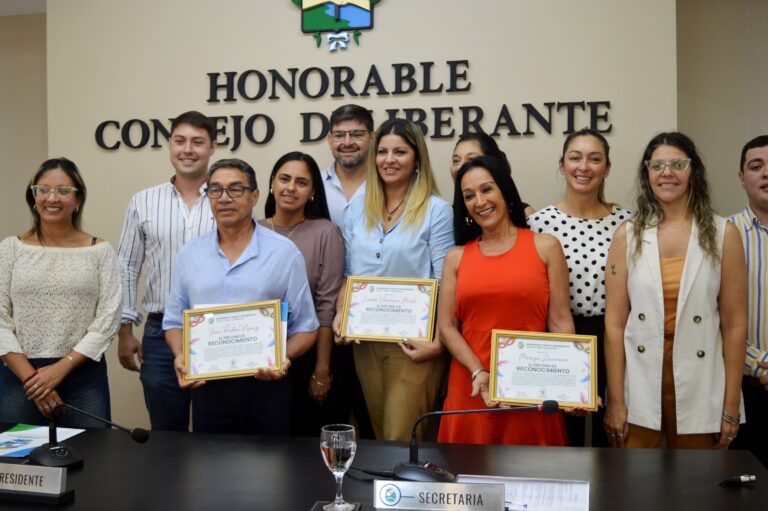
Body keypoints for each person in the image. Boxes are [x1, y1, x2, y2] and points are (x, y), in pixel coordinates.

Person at [604, 132, 746, 449]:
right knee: (637, 487)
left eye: (677, 164)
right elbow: (614, 325)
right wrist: (615, 399)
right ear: (647, 174)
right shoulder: (627, 236)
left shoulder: (725, 234)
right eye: (658, 166)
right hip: (639, 384)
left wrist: (732, 405)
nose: (667, 173)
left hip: (702, 383)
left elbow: (735, 326)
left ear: (692, 170)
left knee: (700, 489)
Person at [163, 158, 318, 434]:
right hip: (207, 388)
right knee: (210, 469)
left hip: (266, 388)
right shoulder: (190, 254)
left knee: (268, 473)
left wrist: (284, 357)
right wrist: (179, 355)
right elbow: (174, 320)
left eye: (236, 189)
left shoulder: (284, 253)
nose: (224, 198)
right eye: (215, 190)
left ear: (255, 195)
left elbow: (306, 327)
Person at [437, 155, 573, 445]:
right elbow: (446, 327)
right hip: (471, 385)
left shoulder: (546, 246)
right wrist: (479, 371)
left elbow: (560, 320)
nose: (480, 201)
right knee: (468, 482)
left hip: (531, 384)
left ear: (505, 191)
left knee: (532, 480)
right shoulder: (455, 258)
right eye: (469, 196)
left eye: (487, 189)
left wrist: (573, 383)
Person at [333, 118, 453, 442]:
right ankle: (384, 494)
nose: (389, 159)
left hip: (413, 343)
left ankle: (404, 493)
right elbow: (349, 274)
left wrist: (440, 343)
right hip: (364, 342)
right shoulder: (357, 208)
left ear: (416, 159)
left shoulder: (436, 210)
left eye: (400, 151)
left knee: (402, 437)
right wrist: (340, 317)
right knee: (377, 431)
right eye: (382, 151)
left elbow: (445, 283)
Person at [527, 128, 630, 447]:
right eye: (575, 158)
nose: (584, 167)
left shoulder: (627, 223)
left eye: (594, 159)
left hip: (615, 336)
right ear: (562, 165)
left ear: (607, 168)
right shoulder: (539, 223)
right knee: (564, 439)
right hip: (561, 336)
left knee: (613, 434)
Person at [0, 158, 121, 428]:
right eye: (43, 189)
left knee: (93, 458)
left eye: (63, 191)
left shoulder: (100, 251)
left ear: (78, 199)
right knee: (17, 463)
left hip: (82, 374)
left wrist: (61, 367)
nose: (52, 198)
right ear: (33, 197)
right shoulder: (11, 248)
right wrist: (33, 379)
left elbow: (108, 319)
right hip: (19, 375)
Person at [117, 110, 217, 431]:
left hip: (217, 329)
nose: (188, 149)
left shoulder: (228, 197)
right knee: (165, 435)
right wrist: (124, 331)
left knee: (216, 432)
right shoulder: (143, 201)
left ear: (212, 147)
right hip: (159, 333)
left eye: (198, 142)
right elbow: (127, 267)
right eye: (180, 141)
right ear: (170, 145)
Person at [259, 152, 367, 436]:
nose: (290, 188)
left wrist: (321, 370)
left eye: (301, 182)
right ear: (272, 184)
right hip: (258, 353)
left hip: (309, 355)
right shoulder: (252, 230)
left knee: (304, 448)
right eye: (284, 179)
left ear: (312, 192)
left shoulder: (326, 232)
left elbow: (326, 305)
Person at [728, 135, 768, 466]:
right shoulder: (723, 234)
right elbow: (714, 313)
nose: (766, 174)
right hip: (747, 386)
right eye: (756, 166)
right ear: (742, 177)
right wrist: (760, 364)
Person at [449, 131, 535, 217]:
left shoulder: (525, 214)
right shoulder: (445, 216)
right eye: (456, 161)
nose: (460, 168)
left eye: (471, 159)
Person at [322, 104, 374, 226]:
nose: (347, 143)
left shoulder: (387, 184)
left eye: (356, 134)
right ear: (330, 140)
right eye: (339, 135)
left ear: (372, 138)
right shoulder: (315, 183)